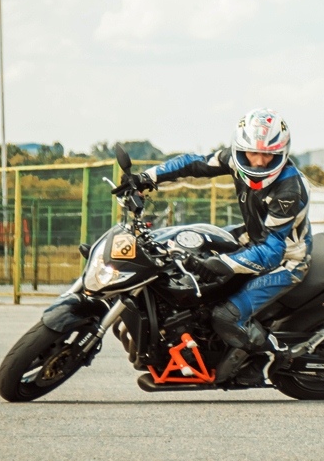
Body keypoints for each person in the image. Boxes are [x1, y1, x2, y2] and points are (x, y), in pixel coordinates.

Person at [114, 108, 312, 382]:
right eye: (251, 154)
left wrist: (223, 264)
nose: (257, 162)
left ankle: (272, 355)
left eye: (268, 155)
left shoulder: (289, 190)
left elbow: (273, 250)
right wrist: (147, 178)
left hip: (287, 260)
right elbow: (194, 164)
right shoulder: (233, 158)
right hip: (251, 237)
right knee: (185, 250)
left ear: (282, 154)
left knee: (225, 316)